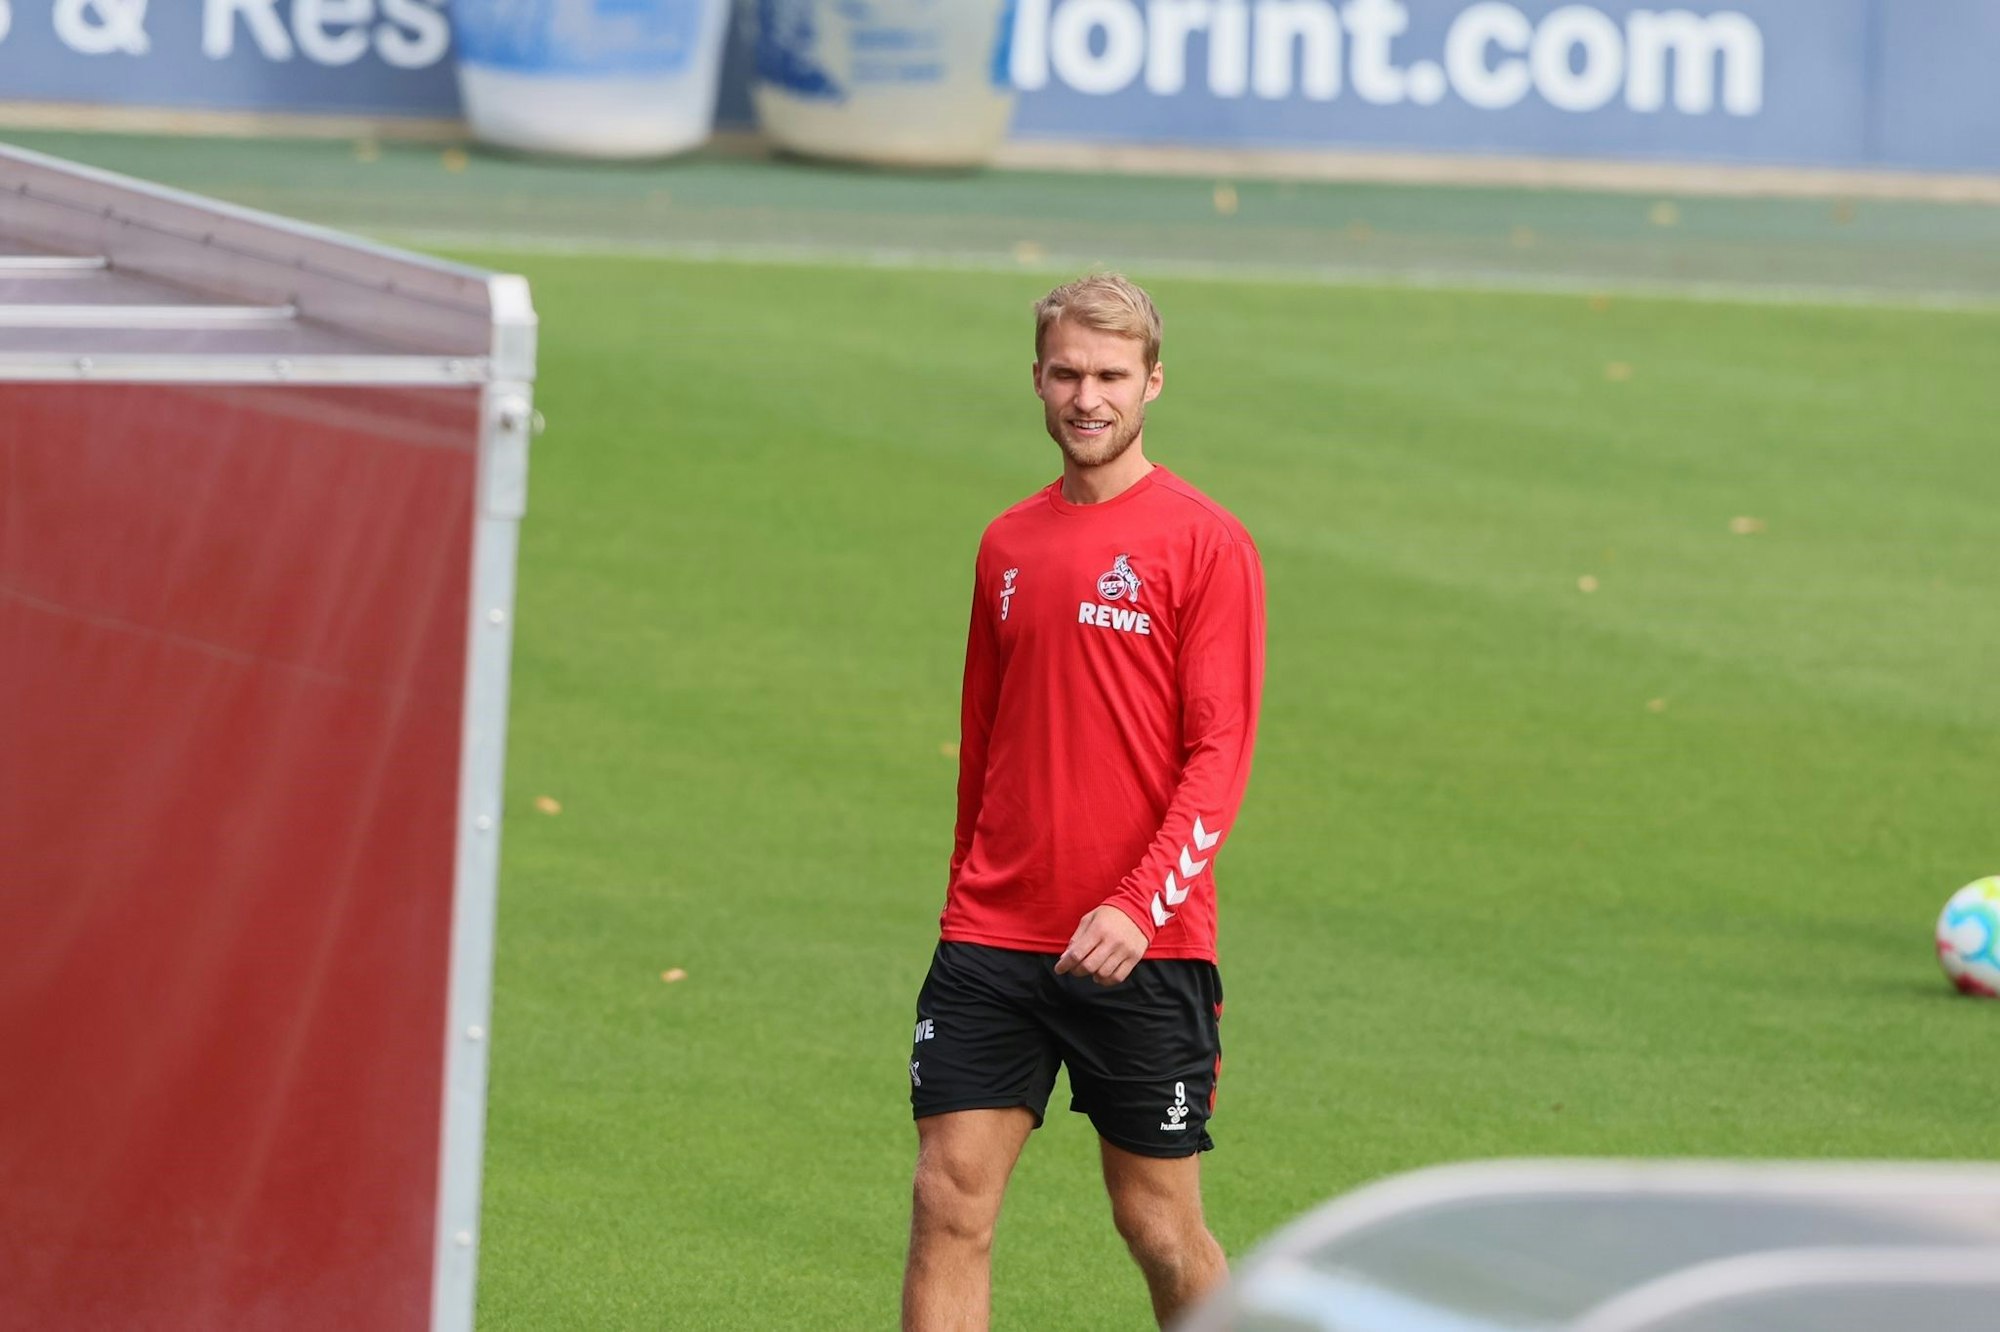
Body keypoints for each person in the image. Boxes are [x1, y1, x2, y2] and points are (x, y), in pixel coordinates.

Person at [902, 274, 1266, 1330]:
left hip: (1143, 946)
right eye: (1065, 373)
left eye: (1109, 375)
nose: (1085, 396)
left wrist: (1136, 905)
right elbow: (983, 746)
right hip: (992, 935)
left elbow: (1218, 756)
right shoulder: (1006, 545)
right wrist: (962, 902)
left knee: (1154, 1225)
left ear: (1152, 383)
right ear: (1036, 380)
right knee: (946, 1198)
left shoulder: (1204, 543)